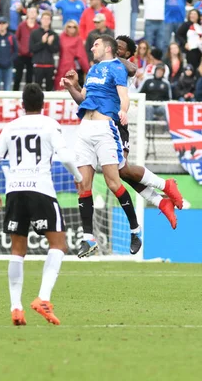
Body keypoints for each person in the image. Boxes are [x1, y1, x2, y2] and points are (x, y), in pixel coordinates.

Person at [0, 83, 84, 327]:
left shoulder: (10, 127)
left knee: (17, 250)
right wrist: (79, 178)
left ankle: (15, 307)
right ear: (43, 105)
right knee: (59, 244)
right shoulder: (50, 124)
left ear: (22, 105)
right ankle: (44, 298)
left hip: (15, 191)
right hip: (41, 189)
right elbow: (66, 156)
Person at [62, 35, 182, 230]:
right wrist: (73, 86)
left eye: (120, 47)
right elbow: (86, 99)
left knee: (121, 171)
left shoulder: (123, 66)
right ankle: (161, 200)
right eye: (115, 45)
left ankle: (164, 188)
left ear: (126, 53)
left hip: (116, 122)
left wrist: (113, 55)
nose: (117, 48)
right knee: (120, 173)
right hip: (100, 122)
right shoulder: (98, 69)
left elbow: (132, 69)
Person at [58, 35, 143, 258]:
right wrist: (71, 87)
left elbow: (124, 96)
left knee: (113, 182)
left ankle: (135, 230)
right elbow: (83, 97)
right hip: (85, 128)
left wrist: (124, 110)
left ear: (107, 48)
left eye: (95, 44)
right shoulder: (93, 70)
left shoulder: (117, 67)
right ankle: (89, 239)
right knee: (83, 185)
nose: (91, 47)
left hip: (105, 129)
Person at [54, 20, 89, 91]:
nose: (71, 28)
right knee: (59, 88)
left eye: (74, 27)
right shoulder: (62, 37)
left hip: (72, 67)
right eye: (69, 27)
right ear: (66, 28)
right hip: (61, 65)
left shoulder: (78, 39)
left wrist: (88, 70)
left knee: (71, 89)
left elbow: (81, 56)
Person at [29, 11, 59, 91]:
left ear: (50, 21)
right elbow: (32, 49)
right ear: (41, 20)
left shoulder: (54, 34)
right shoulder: (34, 33)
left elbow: (55, 50)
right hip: (38, 64)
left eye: (48, 19)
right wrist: (42, 42)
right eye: (44, 19)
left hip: (49, 65)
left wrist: (49, 44)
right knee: (36, 88)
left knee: (49, 87)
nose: (46, 20)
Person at [0, 16, 18, 91]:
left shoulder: (11, 36)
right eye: (0, 23)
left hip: (8, 66)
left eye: (3, 23)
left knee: (8, 89)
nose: (1, 25)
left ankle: (7, 103)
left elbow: (16, 51)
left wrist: (9, 61)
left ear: (7, 25)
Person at [14, 7, 39, 90]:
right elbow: (16, 38)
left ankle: (28, 95)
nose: (32, 14)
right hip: (21, 55)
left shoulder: (37, 27)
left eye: (34, 12)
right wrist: (20, 49)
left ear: (37, 14)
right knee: (18, 77)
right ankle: (15, 94)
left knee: (29, 78)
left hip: (32, 55)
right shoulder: (22, 25)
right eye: (30, 12)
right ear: (27, 14)